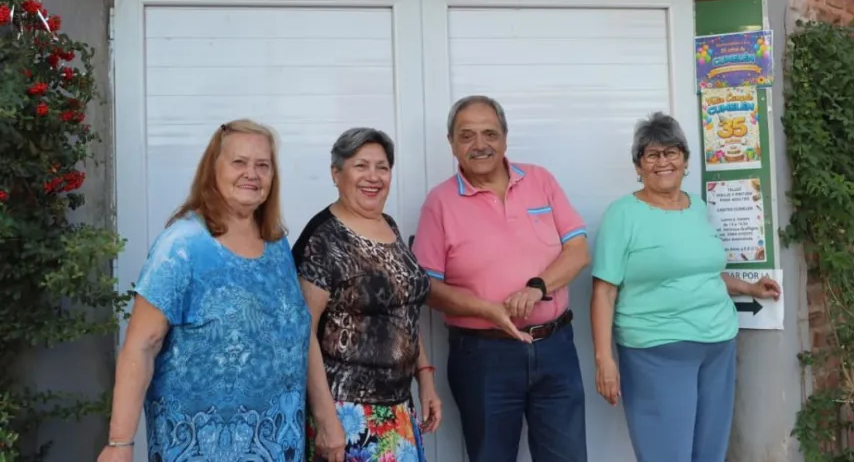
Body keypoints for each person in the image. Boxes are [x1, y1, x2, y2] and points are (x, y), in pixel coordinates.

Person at [98, 119, 311, 462]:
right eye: (239, 162)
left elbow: (298, 335)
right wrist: (120, 443)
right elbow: (141, 346)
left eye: (262, 165)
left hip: (278, 447)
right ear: (213, 169)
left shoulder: (276, 245)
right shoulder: (182, 246)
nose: (251, 173)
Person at [590, 111, 781, 462]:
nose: (663, 162)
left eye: (671, 152)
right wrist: (604, 359)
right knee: (668, 454)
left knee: (709, 452)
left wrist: (750, 288)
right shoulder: (623, 214)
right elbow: (604, 291)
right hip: (656, 352)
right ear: (638, 165)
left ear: (685, 159)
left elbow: (702, 273)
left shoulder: (698, 208)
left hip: (717, 345)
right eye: (652, 155)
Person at [413, 95, 591, 462]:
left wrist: (537, 286)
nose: (480, 145)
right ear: (451, 143)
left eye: (490, 133)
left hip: (555, 347)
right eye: (467, 136)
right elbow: (425, 287)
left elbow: (578, 251)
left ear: (505, 137)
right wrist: (487, 309)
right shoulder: (439, 202)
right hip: (483, 355)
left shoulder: (540, 180)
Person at [293, 127, 442, 462]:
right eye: (361, 166)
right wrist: (328, 420)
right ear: (336, 173)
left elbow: (403, 311)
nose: (373, 177)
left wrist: (426, 379)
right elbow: (302, 335)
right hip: (348, 415)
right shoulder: (323, 239)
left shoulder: (389, 225)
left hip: (398, 410)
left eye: (382, 167)